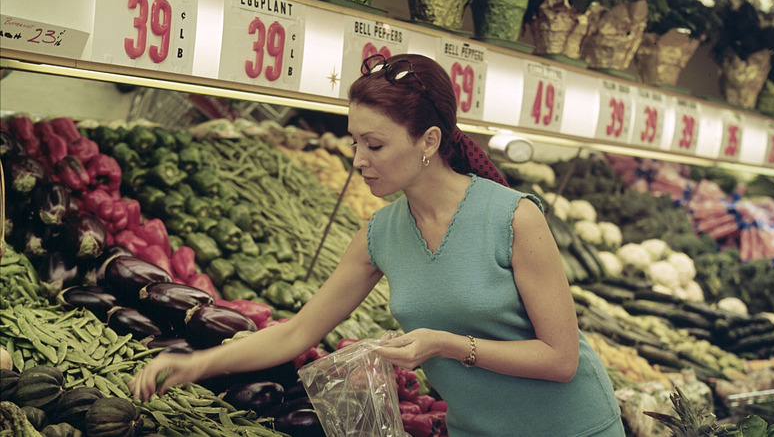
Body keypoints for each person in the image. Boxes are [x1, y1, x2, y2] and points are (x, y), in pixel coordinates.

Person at [130, 53, 625, 436]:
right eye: (354, 143)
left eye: (375, 145)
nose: (359, 159)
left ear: (429, 141)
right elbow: (296, 331)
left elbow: (561, 360)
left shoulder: (514, 216)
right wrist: (196, 363)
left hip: (569, 424)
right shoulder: (379, 234)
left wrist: (444, 345)